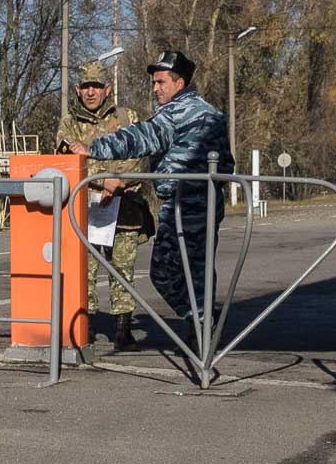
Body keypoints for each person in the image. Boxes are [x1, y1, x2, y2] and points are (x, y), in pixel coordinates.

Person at [69, 51, 233, 345]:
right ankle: (204, 333)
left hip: (183, 205)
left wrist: (92, 148)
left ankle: (200, 321)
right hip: (210, 201)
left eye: (160, 82)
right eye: (154, 82)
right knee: (199, 272)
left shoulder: (175, 114)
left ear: (179, 83)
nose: (155, 88)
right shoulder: (211, 113)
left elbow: (139, 138)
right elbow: (227, 163)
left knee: (164, 272)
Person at [56, 61, 152, 351]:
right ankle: (88, 325)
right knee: (83, 270)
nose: (90, 92)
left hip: (124, 204)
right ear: (77, 89)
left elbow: (140, 152)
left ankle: (123, 329)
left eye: (96, 86)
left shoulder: (127, 117)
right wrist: (101, 182)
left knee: (122, 267)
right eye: (85, 86)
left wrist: (117, 180)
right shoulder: (69, 123)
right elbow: (67, 162)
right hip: (86, 205)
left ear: (107, 89)